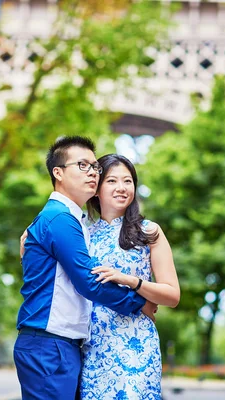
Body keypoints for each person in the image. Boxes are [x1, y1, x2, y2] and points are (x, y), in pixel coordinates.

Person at [15, 136, 157, 400]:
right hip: (50, 344)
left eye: (95, 167)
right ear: (58, 172)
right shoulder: (60, 219)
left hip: (61, 345)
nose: (92, 172)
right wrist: (139, 302)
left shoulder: (70, 220)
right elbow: (89, 283)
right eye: (82, 165)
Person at [80, 154, 180, 400]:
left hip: (136, 345)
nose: (121, 188)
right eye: (112, 181)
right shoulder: (82, 234)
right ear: (96, 189)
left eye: (128, 181)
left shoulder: (149, 232)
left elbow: (172, 295)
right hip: (94, 347)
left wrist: (130, 281)